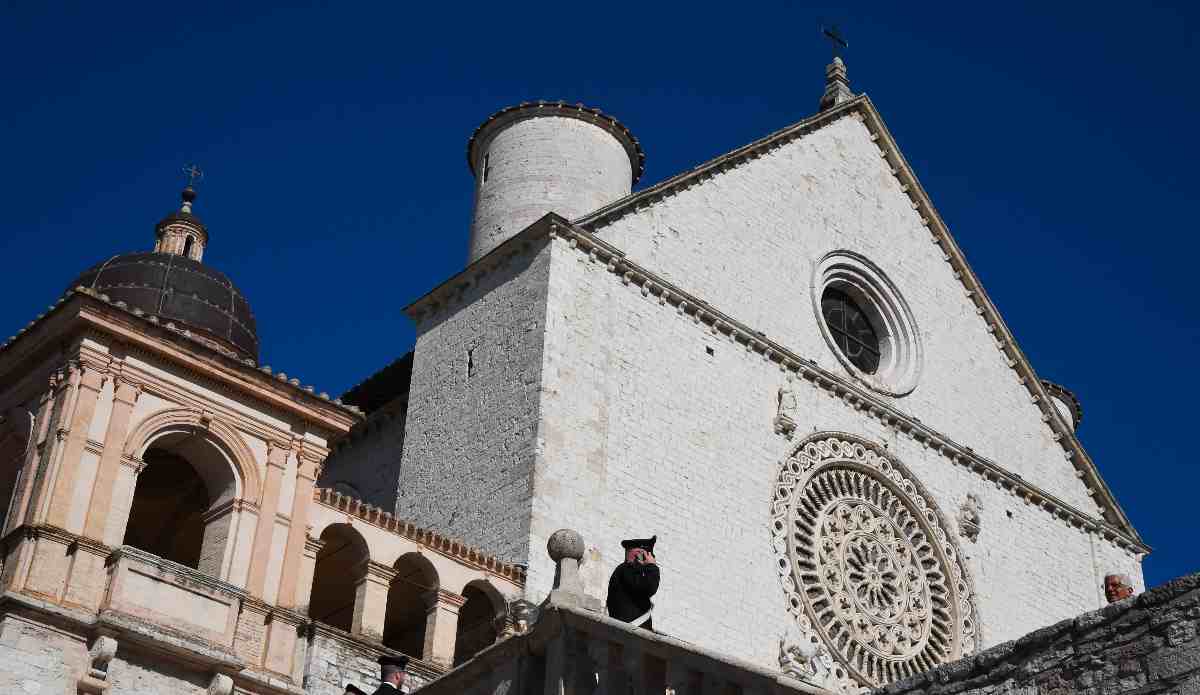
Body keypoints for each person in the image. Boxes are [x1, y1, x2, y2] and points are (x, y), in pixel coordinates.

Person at [606, 535, 660, 630]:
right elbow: (649, 588)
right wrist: (652, 566)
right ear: (638, 554)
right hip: (629, 631)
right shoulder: (626, 570)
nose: (649, 558)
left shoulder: (629, 570)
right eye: (646, 555)